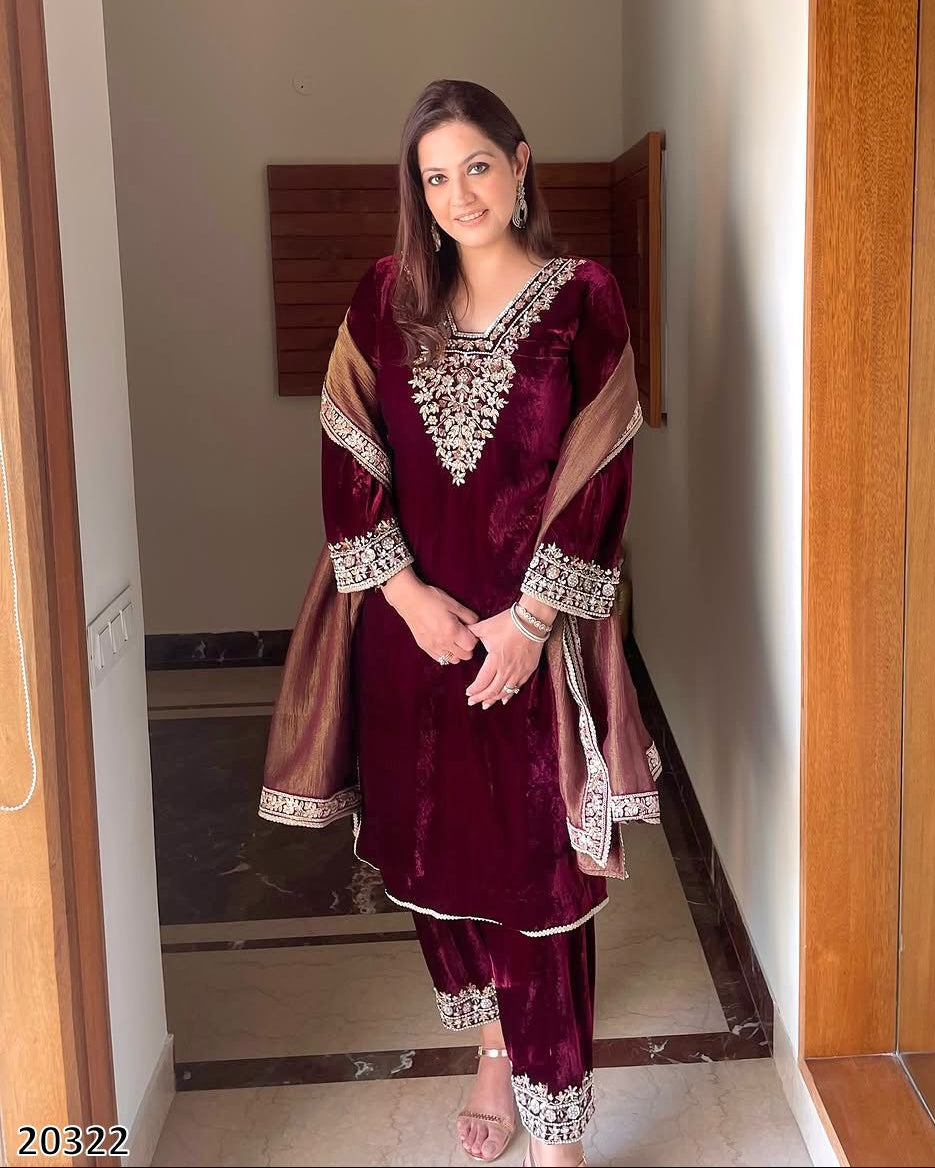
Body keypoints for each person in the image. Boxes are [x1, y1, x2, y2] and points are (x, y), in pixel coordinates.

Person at [258, 79, 661, 1168]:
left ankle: (560, 1139)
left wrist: (529, 622)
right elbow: (349, 445)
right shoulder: (383, 294)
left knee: (541, 883)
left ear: (520, 163)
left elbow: (600, 465)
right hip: (412, 637)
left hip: (536, 640)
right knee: (434, 866)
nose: (457, 193)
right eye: (434, 177)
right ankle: (492, 1046)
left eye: (475, 166)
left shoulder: (584, 297)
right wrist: (399, 595)